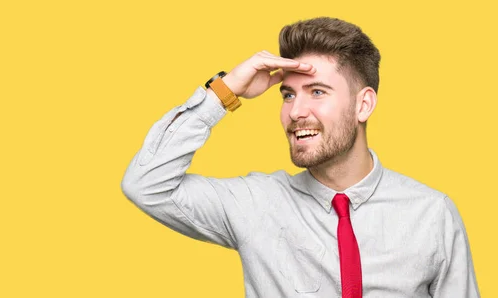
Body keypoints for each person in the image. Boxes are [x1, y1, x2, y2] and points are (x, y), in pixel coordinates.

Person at [120, 17, 479, 297]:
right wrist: (225, 92)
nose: (295, 112)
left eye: (317, 92)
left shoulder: (431, 214)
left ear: (363, 104)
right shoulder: (256, 204)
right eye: (288, 95)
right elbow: (146, 184)